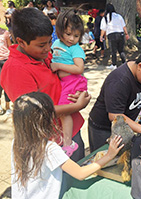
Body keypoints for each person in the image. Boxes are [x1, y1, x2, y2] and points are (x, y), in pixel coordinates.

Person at [11, 92, 124, 199]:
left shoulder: (17, 142)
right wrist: (109, 155)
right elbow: (80, 173)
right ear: (46, 119)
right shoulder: (49, 149)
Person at [0, 8, 90, 162]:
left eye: (50, 41)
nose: (48, 48)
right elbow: (35, 111)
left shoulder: (44, 55)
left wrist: (79, 93)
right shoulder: (15, 70)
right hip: (51, 143)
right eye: (42, 45)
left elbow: (70, 76)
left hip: (71, 131)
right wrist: (77, 106)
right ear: (21, 41)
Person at [88, 49, 141, 152]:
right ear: (140, 66)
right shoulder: (119, 81)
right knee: (105, 162)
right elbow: (114, 115)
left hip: (124, 126)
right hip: (103, 128)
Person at [50, 9, 87, 157]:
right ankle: (67, 142)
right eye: (68, 34)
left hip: (73, 82)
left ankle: (68, 143)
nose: (72, 39)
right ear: (60, 31)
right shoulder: (57, 43)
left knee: (64, 112)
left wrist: (58, 66)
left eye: (76, 36)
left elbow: (79, 68)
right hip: (64, 82)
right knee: (63, 112)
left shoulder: (76, 49)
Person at [100, 3, 129, 70]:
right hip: (120, 34)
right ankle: (124, 63)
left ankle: (114, 64)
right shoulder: (119, 16)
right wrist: (126, 34)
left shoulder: (105, 18)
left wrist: (101, 36)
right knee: (121, 50)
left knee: (113, 51)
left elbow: (103, 29)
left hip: (112, 35)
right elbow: (123, 26)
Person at [0, 28, 12, 116]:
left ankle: (8, 107)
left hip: (5, 60)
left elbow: (9, 46)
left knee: (7, 83)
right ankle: (0, 105)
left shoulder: (5, 33)